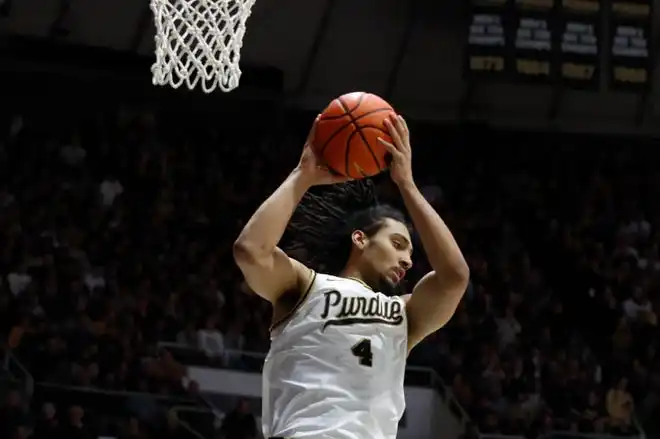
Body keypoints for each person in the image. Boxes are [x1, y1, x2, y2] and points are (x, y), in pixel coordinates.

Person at [233, 114, 469, 439]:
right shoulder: (305, 286)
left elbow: (454, 277)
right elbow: (251, 251)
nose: (407, 260)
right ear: (360, 240)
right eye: (398, 244)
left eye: (411, 253)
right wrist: (302, 176)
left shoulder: (405, 315)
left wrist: (407, 185)